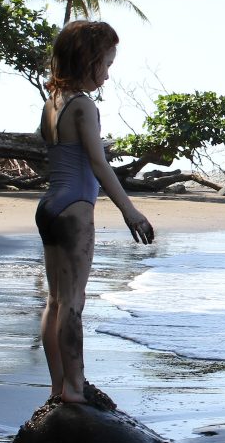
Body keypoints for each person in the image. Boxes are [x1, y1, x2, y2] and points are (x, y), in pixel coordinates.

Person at [35, 20, 154, 405]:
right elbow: (99, 166)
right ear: (87, 62)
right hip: (74, 210)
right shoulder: (84, 106)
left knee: (54, 301)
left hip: (50, 205)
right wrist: (131, 212)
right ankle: (75, 387)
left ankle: (59, 385)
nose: (107, 74)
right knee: (73, 302)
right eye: (105, 64)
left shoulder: (52, 103)